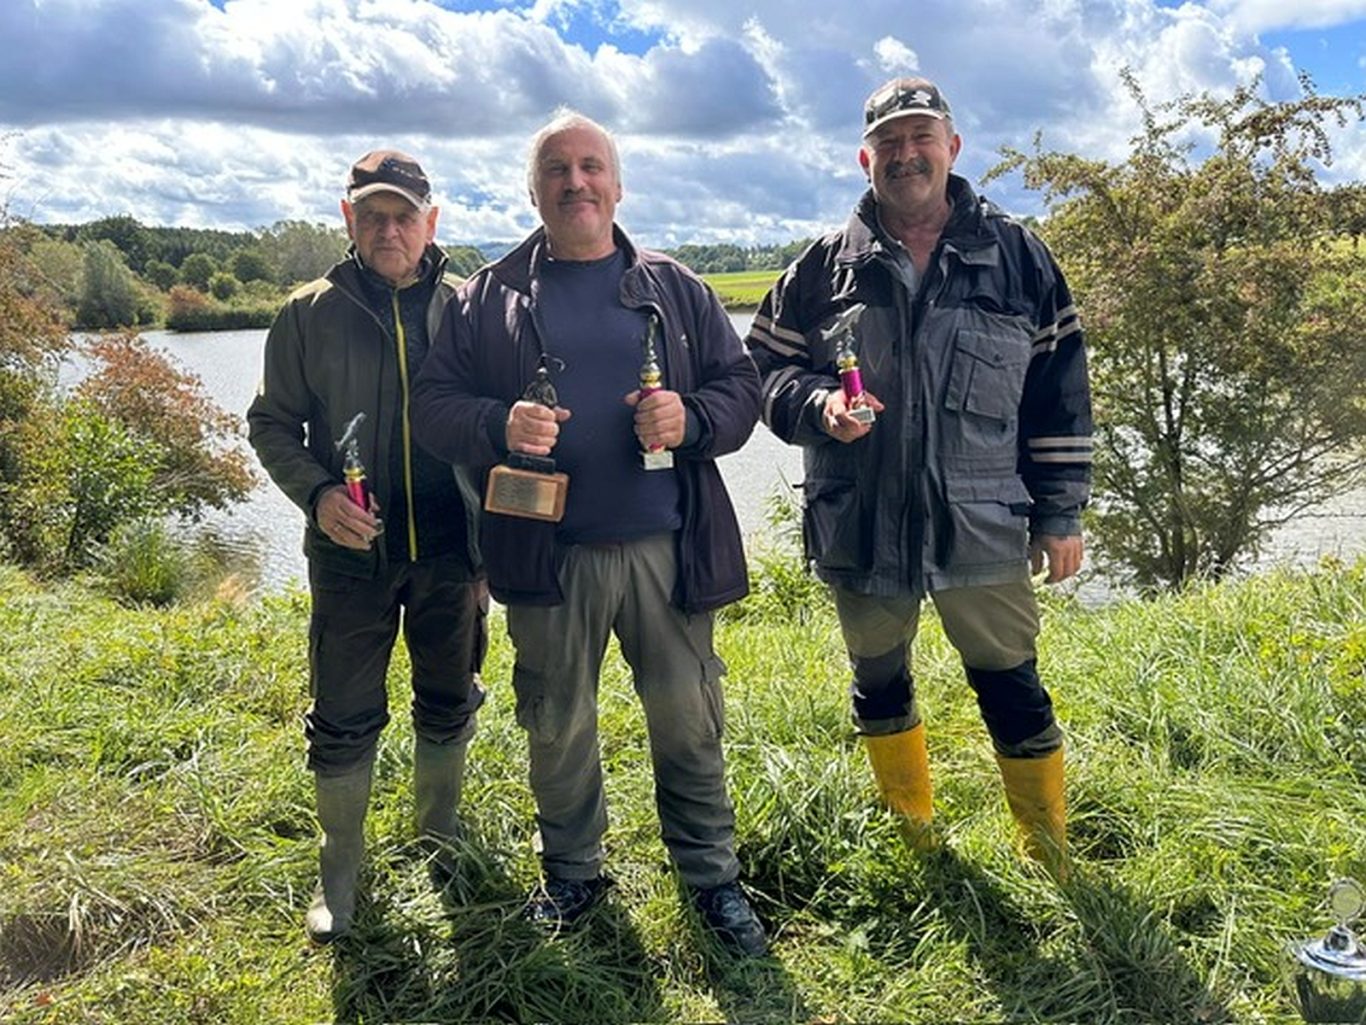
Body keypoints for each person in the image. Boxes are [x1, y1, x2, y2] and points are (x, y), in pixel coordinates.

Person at [410, 110, 768, 956]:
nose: (577, 183)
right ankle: (573, 874)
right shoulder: (488, 297)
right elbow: (433, 407)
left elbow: (744, 389)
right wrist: (501, 423)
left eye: (591, 166)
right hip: (547, 556)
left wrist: (693, 417)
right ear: (533, 191)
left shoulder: (676, 287)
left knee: (689, 717)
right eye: (557, 171)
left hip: (667, 549)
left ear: (617, 182)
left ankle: (712, 879)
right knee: (557, 721)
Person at [746, 77, 1093, 879]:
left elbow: (1061, 394)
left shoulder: (1018, 257)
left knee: (1013, 683)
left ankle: (1047, 855)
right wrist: (816, 403)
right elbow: (759, 367)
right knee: (879, 680)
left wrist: (1062, 513)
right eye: (890, 143)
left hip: (982, 519)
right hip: (861, 519)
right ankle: (913, 840)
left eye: (921, 137)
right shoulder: (819, 269)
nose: (907, 154)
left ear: (952, 147)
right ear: (866, 158)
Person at [247, 149, 487, 942]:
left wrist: (495, 547)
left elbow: (496, 430)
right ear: (348, 219)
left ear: (432, 223)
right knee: (344, 716)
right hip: (350, 557)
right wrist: (317, 496)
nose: (390, 229)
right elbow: (271, 425)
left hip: (452, 550)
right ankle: (338, 871)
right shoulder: (307, 312)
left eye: (404, 214)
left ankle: (437, 833)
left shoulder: (469, 309)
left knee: (449, 698)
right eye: (373, 214)